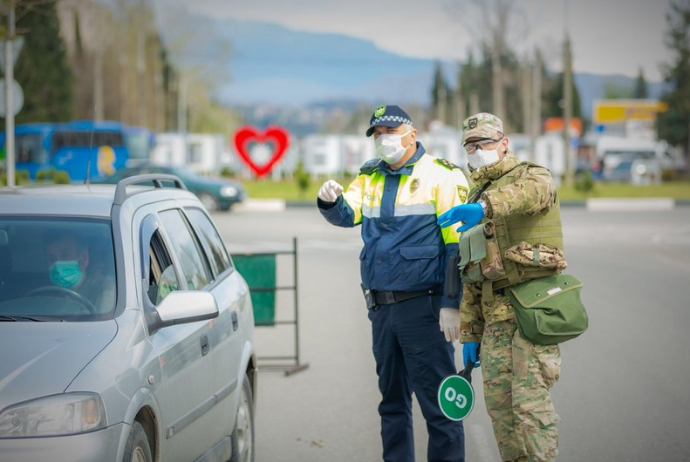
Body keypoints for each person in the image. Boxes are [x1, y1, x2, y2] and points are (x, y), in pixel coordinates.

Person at [317, 105, 469, 462]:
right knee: (392, 405)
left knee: (439, 408)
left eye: (391, 131)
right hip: (382, 309)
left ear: (412, 135)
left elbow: (456, 247)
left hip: (425, 309)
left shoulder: (442, 176)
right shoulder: (370, 177)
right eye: (378, 134)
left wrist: (451, 302)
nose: (384, 139)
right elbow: (348, 214)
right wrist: (329, 201)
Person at [437, 112, 566, 462]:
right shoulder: (475, 195)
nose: (478, 150)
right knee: (502, 412)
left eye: (485, 142)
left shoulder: (531, 175)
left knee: (530, 409)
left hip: (531, 312)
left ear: (504, 143)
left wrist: (485, 207)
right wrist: (470, 333)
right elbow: (472, 275)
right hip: (494, 321)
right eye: (471, 145)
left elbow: (535, 194)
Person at [44, 230, 116, 312]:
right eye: (51, 259)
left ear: (84, 258)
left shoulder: (106, 293)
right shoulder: (44, 296)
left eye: (65, 256)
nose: (57, 264)